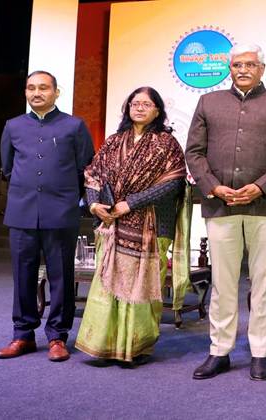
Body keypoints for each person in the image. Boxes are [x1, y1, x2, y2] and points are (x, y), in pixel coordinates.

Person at [185, 44, 266, 381]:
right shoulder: (208, 102)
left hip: (265, 205)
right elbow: (194, 152)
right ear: (229, 68)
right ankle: (219, 351)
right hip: (219, 204)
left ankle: (260, 353)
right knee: (222, 283)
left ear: (262, 68)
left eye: (250, 64)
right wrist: (214, 186)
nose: (243, 70)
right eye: (237, 64)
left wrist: (261, 187)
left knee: (263, 282)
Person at [74, 86, 186, 363]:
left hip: (153, 223)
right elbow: (93, 175)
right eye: (135, 103)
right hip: (111, 222)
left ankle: (136, 347)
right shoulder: (113, 141)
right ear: (127, 108)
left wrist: (131, 203)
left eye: (146, 104)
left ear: (157, 111)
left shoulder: (166, 143)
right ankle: (103, 345)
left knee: (141, 286)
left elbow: (173, 182)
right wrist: (94, 205)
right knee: (106, 284)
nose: (139, 108)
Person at [0, 70, 94, 361]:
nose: (36, 93)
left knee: (61, 276)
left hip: (61, 212)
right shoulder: (13, 126)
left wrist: (68, 198)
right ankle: (22, 335)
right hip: (22, 212)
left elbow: (85, 168)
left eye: (43, 88)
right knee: (22, 275)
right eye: (31, 88)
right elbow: (8, 168)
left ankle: (57, 336)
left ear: (56, 92)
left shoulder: (74, 126)